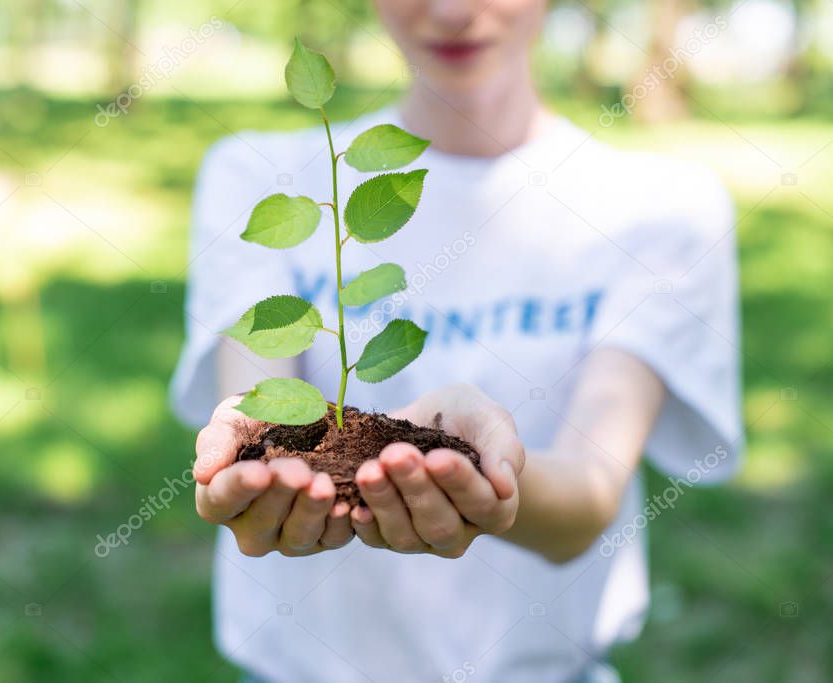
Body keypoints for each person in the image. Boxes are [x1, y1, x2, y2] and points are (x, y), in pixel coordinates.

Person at [171, 1, 743, 681]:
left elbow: (590, 498)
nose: (449, 11)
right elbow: (258, 395)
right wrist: (252, 447)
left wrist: (484, 474)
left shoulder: (662, 209)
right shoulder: (255, 174)